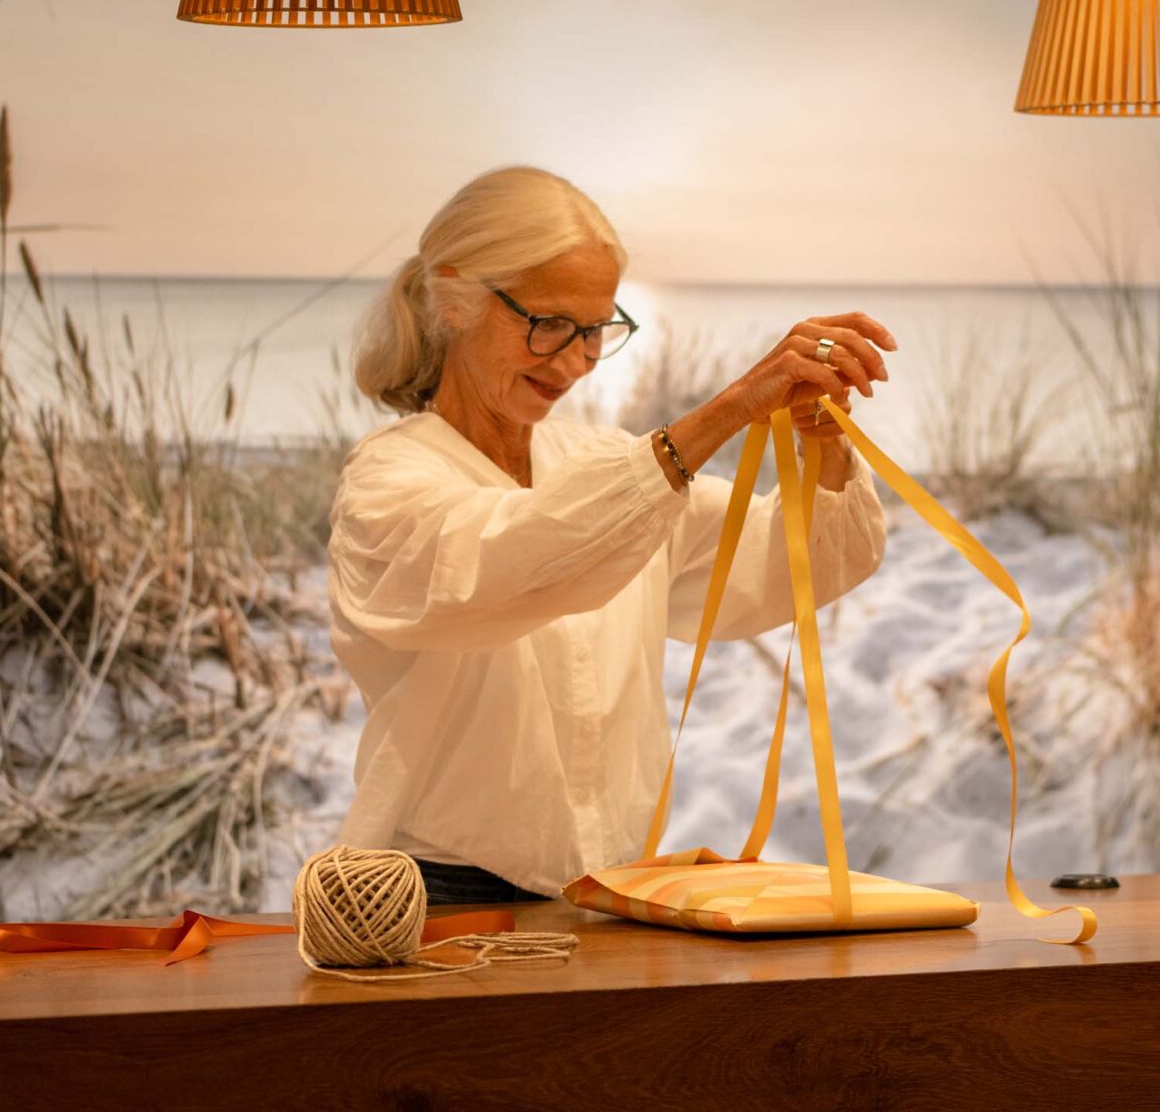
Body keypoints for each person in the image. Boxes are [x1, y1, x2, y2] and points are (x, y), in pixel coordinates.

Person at [328, 165, 896, 906]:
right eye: (547, 323)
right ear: (453, 297)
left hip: (613, 896)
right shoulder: (387, 483)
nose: (574, 362)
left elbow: (788, 561)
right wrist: (726, 410)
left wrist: (821, 441)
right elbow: (514, 559)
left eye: (596, 331)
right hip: (440, 902)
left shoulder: (600, 461)